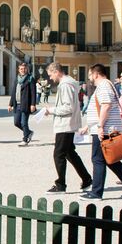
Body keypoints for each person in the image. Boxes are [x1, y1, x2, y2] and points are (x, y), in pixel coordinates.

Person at [78, 64, 122, 201]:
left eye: (90, 74)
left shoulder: (104, 86)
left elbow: (106, 105)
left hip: (105, 129)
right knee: (109, 159)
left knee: (98, 160)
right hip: (106, 127)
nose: (89, 78)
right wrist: (89, 127)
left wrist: (100, 126)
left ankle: (96, 193)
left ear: (95, 74)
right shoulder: (107, 85)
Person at [44, 62, 92, 194]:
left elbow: (68, 107)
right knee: (70, 153)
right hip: (69, 123)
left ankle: (61, 185)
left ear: (56, 72)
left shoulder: (65, 85)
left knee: (58, 154)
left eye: (50, 75)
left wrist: (52, 110)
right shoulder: (70, 83)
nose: (50, 78)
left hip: (65, 125)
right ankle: (86, 179)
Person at [8, 62, 37, 146]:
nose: (23, 70)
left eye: (24, 69)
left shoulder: (30, 79)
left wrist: (33, 104)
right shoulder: (17, 79)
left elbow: (33, 93)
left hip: (26, 104)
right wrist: (10, 104)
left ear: (27, 69)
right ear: (18, 70)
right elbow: (13, 92)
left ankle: (25, 139)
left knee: (24, 123)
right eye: (21, 69)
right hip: (17, 105)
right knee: (16, 123)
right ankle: (29, 132)